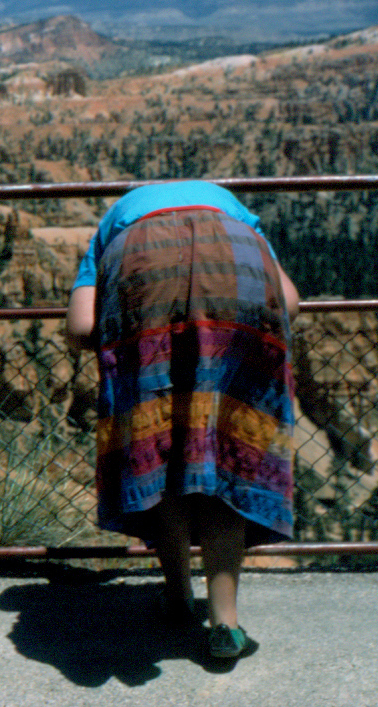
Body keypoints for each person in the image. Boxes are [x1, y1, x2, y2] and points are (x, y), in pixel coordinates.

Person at [65, 180, 299, 659]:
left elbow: (82, 327)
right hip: (234, 269)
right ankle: (226, 622)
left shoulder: (113, 225)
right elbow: (289, 304)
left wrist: (133, 341)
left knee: (161, 452)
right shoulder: (237, 216)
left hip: (142, 264)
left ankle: (177, 597)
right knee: (224, 453)